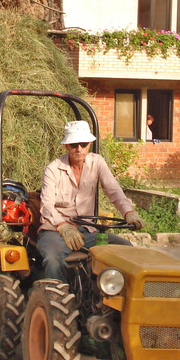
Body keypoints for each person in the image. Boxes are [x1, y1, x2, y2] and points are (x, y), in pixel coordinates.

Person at [37, 120, 146, 282]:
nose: (79, 149)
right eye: (74, 144)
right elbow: (47, 205)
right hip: (56, 231)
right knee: (53, 259)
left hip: (88, 231)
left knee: (126, 249)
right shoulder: (53, 169)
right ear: (66, 146)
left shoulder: (97, 163)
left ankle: (111, 294)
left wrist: (128, 211)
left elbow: (114, 190)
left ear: (89, 144)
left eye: (83, 144)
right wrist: (63, 227)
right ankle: (55, 297)